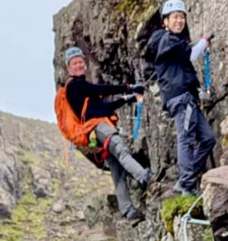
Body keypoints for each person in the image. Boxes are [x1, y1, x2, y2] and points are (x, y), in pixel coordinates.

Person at [62, 46, 151, 223]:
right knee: (121, 150)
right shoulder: (76, 85)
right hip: (99, 127)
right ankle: (144, 177)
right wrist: (128, 87)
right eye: (75, 63)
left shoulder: (82, 92)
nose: (79, 65)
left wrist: (128, 98)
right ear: (68, 67)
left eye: (81, 61)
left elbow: (105, 108)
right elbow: (101, 89)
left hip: (96, 129)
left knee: (116, 169)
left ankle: (128, 211)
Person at [149, 0, 217, 195]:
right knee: (186, 139)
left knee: (208, 139)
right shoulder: (167, 39)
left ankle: (185, 179)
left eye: (182, 17)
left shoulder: (170, 42)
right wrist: (204, 40)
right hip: (180, 97)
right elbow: (191, 55)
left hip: (186, 97)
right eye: (175, 17)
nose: (179, 21)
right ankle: (187, 184)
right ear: (165, 22)